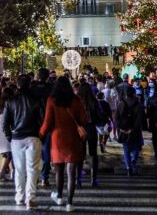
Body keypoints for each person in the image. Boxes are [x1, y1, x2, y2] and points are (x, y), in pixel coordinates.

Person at [40, 75, 88, 212]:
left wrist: (41, 134)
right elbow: (84, 119)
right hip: (73, 138)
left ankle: (59, 196)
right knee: (71, 172)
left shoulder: (52, 100)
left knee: (58, 170)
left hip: (57, 138)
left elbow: (47, 122)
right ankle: (69, 203)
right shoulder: (76, 100)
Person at [4, 74, 44, 210]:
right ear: (30, 84)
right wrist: (40, 136)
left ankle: (19, 197)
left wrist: (10, 137)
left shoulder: (11, 100)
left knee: (19, 170)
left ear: (18, 84)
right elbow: (42, 120)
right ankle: (30, 199)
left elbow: (5, 124)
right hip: (33, 137)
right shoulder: (36, 99)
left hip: (16, 138)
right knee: (32, 170)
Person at [30, 67, 53, 187]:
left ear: (38, 76)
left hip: (34, 124)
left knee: (33, 152)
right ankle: (45, 177)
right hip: (47, 123)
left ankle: (34, 176)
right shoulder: (51, 88)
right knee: (46, 151)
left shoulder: (32, 88)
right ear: (47, 76)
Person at [116, 85, 145, 176]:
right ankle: (133, 163)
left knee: (126, 150)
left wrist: (120, 128)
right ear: (134, 93)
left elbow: (117, 118)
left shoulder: (121, 103)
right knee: (136, 148)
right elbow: (140, 119)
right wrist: (133, 130)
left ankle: (128, 168)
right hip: (135, 131)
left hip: (124, 130)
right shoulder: (139, 105)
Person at [76, 81, 101, 187]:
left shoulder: (76, 101)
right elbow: (99, 115)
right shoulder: (94, 101)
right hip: (91, 128)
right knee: (93, 154)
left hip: (80, 129)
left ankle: (78, 179)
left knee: (80, 155)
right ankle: (93, 179)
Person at [0, 86, 15, 181]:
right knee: (9, 153)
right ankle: (1, 173)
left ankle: (12, 172)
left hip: (0, 131)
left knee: (7, 153)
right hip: (9, 130)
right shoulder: (11, 105)